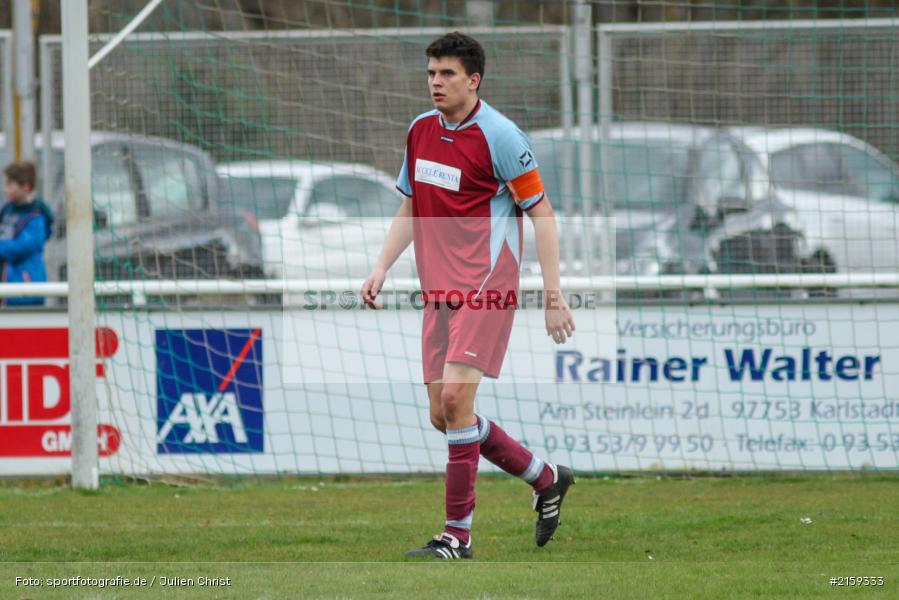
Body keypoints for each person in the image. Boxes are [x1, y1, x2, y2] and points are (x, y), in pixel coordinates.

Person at [362, 32, 576, 559]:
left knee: (458, 402)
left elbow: (541, 215)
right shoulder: (419, 131)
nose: (436, 82)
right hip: (437, 290)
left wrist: (554, 294)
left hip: (487, 286)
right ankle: (545, 477)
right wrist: (380, 267)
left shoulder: (501, 136)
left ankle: (456, 537)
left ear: (473, 80)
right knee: (444, 415)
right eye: (431, 73)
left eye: (447, 74)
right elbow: (411, 206)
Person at [0, 160, 54, 306]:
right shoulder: (6, 211)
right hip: (6, 285)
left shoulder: (37, 216)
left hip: (25, 286)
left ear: (26, 187)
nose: (6, 189)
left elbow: (23, 246)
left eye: (11, 185)